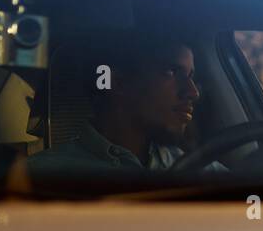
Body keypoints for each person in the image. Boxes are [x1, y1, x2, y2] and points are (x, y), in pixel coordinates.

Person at [29, 37, 203, 175]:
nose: (193, 92)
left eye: (191, 76)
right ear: (117, 82)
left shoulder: (199, 167)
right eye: (171, 72)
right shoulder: (40, 176)